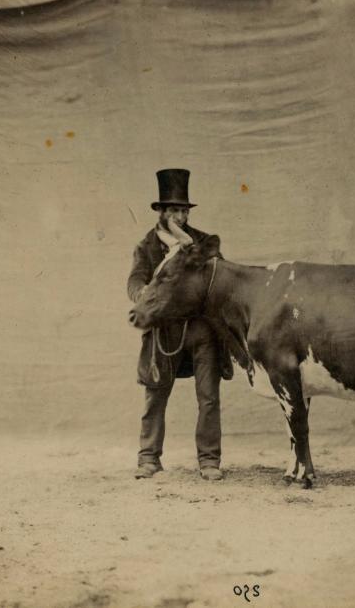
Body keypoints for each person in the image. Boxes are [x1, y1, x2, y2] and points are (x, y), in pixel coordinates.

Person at [127, 168, 233, 481]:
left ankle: (209, 461)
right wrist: (143, 294)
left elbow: (219, 277)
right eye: (174, 210)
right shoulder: (147, 246)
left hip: (201, 328)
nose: (181, 217)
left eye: (184, 211)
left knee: (209, 396)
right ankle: (148, 459)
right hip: (164, 330)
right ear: (161, 212)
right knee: (156, 394)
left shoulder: (203, 243)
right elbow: (134, 280)